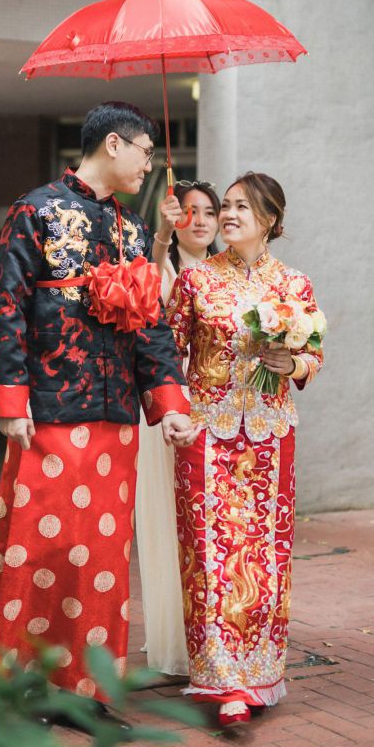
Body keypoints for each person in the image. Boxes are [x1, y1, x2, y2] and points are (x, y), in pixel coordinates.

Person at [0, 102, 196, 709]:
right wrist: (10, 400)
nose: (149, 165)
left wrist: (170, 403)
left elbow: (149, 325)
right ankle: (24, 692)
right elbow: (6, 309)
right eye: (146, 152)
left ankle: (91, 692)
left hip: (115, 417)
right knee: (39, 551)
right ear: (113, 144)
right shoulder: (36, 211)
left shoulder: (132, 230)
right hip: (47, 415)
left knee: (102, 560)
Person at [166, 172, 324, 727]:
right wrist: (173, 411)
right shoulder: (197, 280)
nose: (228, 215)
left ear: (270, 220)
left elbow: (314, 356)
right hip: (206, 434)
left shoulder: (295, 285)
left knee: (266, 557)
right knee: (209, 555)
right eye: (225, 206)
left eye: (241, 207)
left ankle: (261, 674)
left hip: (270, 435)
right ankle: (221, 682)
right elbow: (167, 353)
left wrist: (293, 362)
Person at [136, 180, 221, 676]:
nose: (202, 221)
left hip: (217, 408)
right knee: (171, 521)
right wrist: (163, 236)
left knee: (213, 521)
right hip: (171, 404)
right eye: (191, 212)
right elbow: (150, 284)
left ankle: (217, 633)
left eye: (209, 211)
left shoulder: (227, 273)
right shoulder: (163, 268)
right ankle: (177, 638)